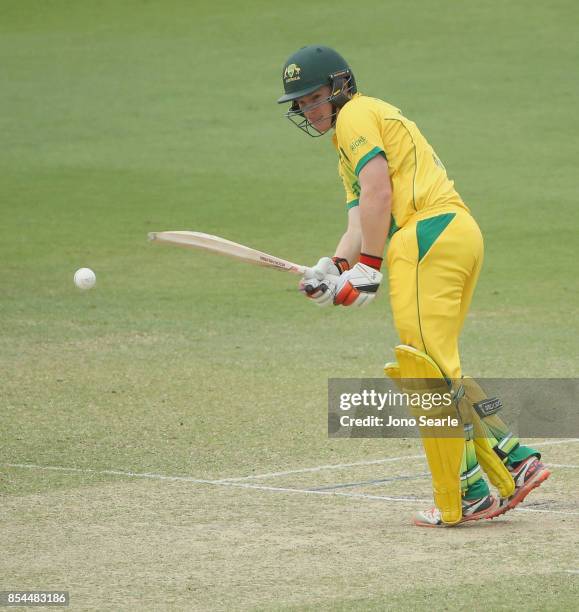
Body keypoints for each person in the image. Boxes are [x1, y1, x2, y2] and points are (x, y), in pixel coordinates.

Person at [277, 45, 551, 527]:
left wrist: (367, 268)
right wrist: (335, 268)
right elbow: (360, 218)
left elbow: (381, 194)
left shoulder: (358, 114)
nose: (308, 108)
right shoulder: (350, 139)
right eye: (300, 103)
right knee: (439, 369)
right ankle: (514, 458)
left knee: (424, 372)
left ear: (340, 88)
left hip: (424, 235)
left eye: (314, 97)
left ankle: (469, 495)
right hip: (454, 233)